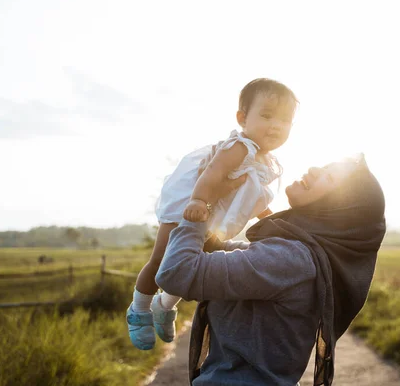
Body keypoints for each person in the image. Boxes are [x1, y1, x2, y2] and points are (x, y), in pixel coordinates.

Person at [156, 155, 386, 385]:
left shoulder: (291, 259)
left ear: (339, 210)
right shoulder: (298, 255)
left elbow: (177, 272)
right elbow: (215, 251)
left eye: (329, 177)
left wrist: (200, 204)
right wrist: (219, 193)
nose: (314, 169)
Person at [127, 78, 298, 350]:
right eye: (266, 115)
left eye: (285, 120)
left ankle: (164, 305)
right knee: (162, 259)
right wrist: (197, 199)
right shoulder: (240, 147)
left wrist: (268, 217)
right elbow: (212, 173)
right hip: (189, 206)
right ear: (243, 117)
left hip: (211, 214)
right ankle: (138, 311)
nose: (276, 125)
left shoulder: (267, 161)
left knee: (195, 261)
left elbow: (251, 194)